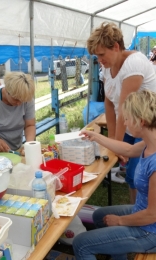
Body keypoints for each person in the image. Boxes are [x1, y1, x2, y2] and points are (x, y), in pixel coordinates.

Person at [73, 89, 156, 259]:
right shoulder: (149, 142)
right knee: (99, 216)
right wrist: (95, 136)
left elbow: (151, 214)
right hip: (142, 213)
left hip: (150, 232)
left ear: (141, 121)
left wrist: (120, 221)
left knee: (81, 244)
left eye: (127, 118)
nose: (124, 122)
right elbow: (128, 149)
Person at [87, 22, 156, 203]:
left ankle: (143, 215)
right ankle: (137, 209)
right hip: (131, 124)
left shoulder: (134, 64)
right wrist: (112, 139)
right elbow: (109, 104)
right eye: (96, 56)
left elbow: (124, 108)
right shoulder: (107, 67)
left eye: (101, 54)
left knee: (135, 174)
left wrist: (116, 143)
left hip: (147, 126)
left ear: (116, 47)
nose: (99, 59)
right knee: (129, 173)